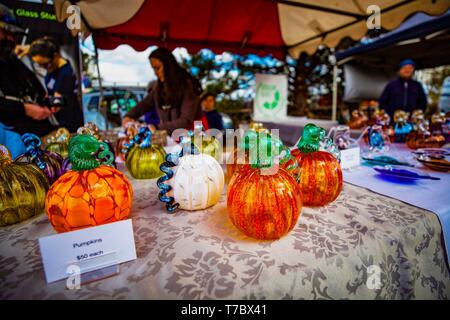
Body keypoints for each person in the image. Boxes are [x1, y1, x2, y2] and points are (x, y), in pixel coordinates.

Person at [0, 4, 54, 137]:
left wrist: (47, 101)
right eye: (6, 32)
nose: (11, 38)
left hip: (38, 136)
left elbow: (35, 85)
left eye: (14, 34)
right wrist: (24, 109)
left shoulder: (10, 59)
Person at [122, 47, 202, 134]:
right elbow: (144, 104)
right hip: (173, 135)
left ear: (169, 66)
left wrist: (156, 127)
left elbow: (185, 121)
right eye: (153, 69)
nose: (155, 73)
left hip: (194, 135)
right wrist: (129, 116)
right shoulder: (159, 87)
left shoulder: (188, 85)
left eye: (158, 68)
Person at [29, 37, 84, 132]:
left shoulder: (65, 73)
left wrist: (35, 105)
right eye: (39, 65)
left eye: (45, 64)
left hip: (71, 120)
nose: (44, 68)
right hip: (60, 119)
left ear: (55, 56)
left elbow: (57, 103)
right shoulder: (53, 66)